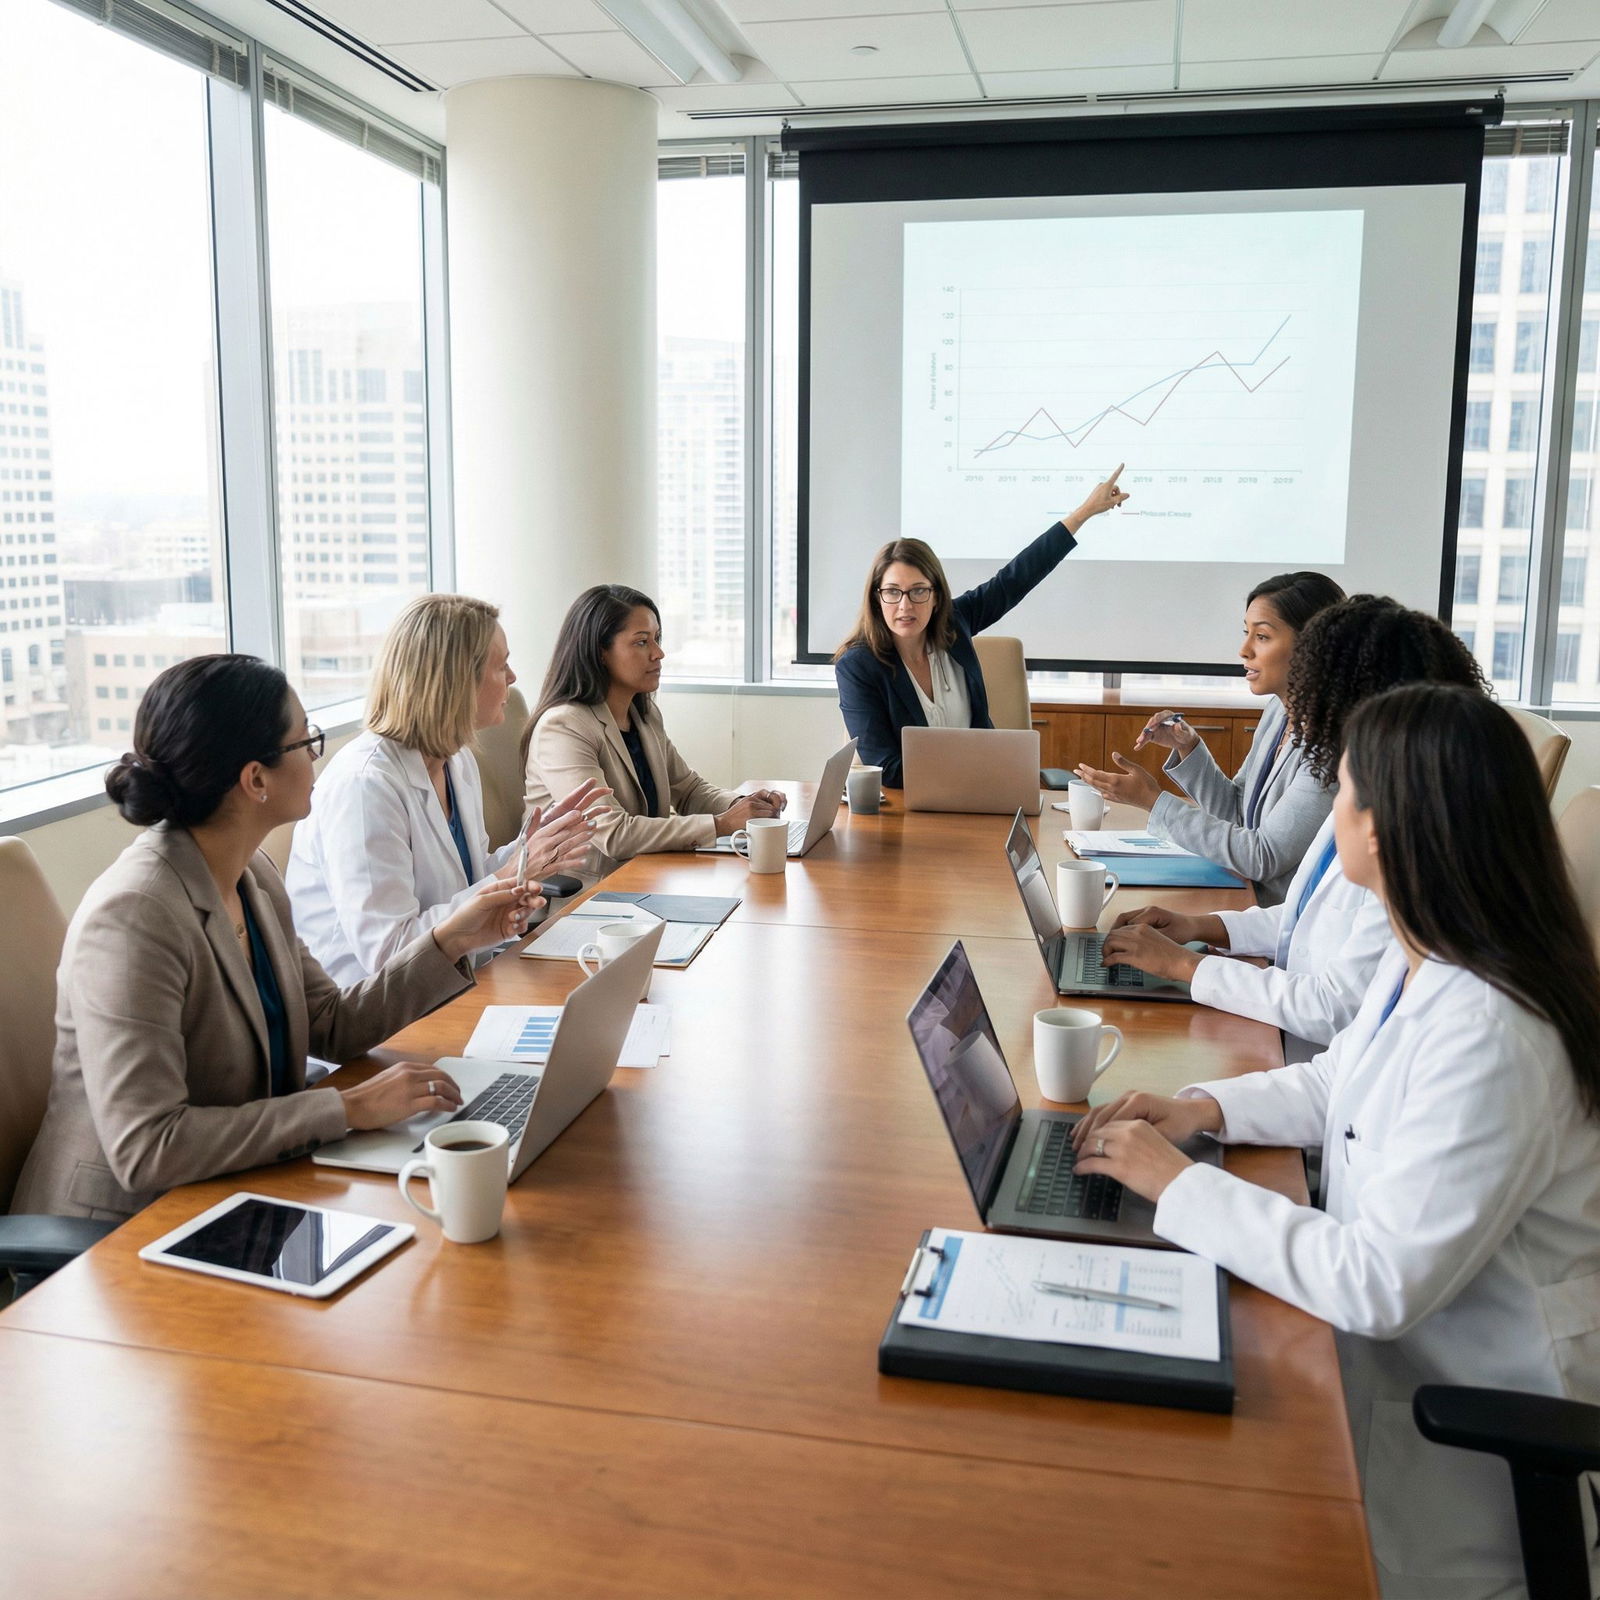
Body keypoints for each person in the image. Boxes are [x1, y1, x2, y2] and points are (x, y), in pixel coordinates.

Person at [1073, 683, 1600, 1599]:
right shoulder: (1442, 950)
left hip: (1462, 1445)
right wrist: (1202, 1110)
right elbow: (1337, 1079)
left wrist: (1181, 1188)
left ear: (1389, 832)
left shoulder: (1495, 1028)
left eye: (1347, 792)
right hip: (1387, 1366)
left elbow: (1377, 1283)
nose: (1333, 813)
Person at [12, 654, 542, 1223]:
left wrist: (448, 942)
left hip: (241, 1188)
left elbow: (332, 1024)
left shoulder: (253, 872)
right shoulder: (133, 916)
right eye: (305, 741)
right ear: (255, 780)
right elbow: (148, 1147)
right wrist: (343, 1108)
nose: (319, 756)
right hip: (120, 1234)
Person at [1100, 598, 1488, 1062]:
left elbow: (1334, 1008)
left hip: (1304, 1043)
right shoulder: (1362, 782)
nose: (1297, 705)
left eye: (1310, 684)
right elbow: (1306, 917)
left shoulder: (1409, 844)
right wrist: (1199, 927)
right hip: (1297, 1031)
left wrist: (1186, 964)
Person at [288, 593, 600, 985]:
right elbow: (387, 952)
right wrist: (506, 875)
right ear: (454, 682)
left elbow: (465, 879)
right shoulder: (364, 787)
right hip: (373, 1014)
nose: (513, 678)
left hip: (455, 983)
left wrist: (527, 851)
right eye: (501, 665)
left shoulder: (456, 760)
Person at [833, 469, 1130, 789]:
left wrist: (1084, 512)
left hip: (985, 792)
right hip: (915, 806)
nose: (905, 606)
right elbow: (886, 767)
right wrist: (977, 767)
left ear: (936, 596)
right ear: (877, 598)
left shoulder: (954, 622)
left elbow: (1016, 578)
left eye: (918, 591)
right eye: (892, 592)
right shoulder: (857, 666)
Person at [1074, 570, 1346, 904]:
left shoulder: (1332, 746)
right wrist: (1188, 748)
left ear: (1312, 645)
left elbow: (1262, 855)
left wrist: (1152, 800)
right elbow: (1237, 814)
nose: (1244, 650)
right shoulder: (1279, 711)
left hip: (1271, 917)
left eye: (1261, 636)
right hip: (1241, 895)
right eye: (1246, 633)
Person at [522, 584, 784, 862]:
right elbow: (612, 834)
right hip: (587, 894)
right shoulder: (563, 728)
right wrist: (722, 824)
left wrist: (745, 807)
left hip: (646, 876)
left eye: (657, 638)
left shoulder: (644, 715)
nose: (658, 653)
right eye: (641, 641)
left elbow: (688, 790)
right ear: (601, 651)